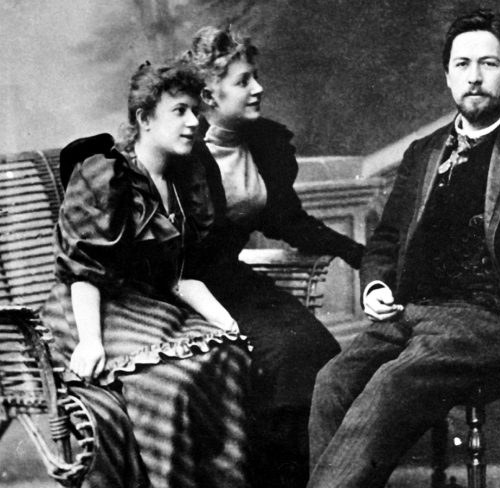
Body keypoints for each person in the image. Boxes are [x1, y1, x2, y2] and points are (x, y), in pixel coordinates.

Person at [307, 9, 500, 488]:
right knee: (332, 383)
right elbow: (386, 239)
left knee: (390, 384)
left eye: (489, 63)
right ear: (447, 75)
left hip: (490, 319)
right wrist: (377, 286)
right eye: (462, 64)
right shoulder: (423, 152)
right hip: (411, 313)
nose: (474, 77)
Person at [41, 60, 251, 488]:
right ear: (144, 118)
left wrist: (226, 322)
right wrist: (91, 341)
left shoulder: (181, 179)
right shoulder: (104, 173)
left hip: (143, 306)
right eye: (180, 111)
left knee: (229, 356)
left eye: (196, 111)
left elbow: (181, 275)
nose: (194, 122)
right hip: (87, 308)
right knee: (174, 383)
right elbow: (84, 269)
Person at [177, 26, 364, 488]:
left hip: (232, 281)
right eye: (243, 81)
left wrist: (356, 251)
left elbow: (287, 220)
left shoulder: (261, 144)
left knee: (318, 350)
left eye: (255, 76)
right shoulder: (180, 149)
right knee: (279, 357)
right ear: (209, 95)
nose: (259, 88)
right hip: (179, 290)